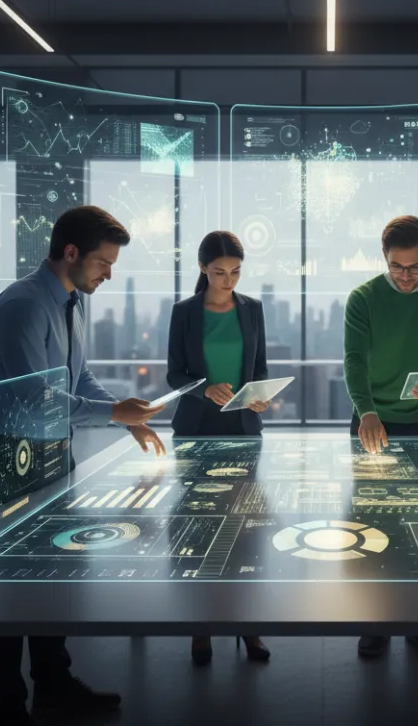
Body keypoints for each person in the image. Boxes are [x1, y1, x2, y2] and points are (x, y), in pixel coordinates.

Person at [0, 205, 167, 726]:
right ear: (70, 254)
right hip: (14, 457)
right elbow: (34, 397)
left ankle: (53, 684)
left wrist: (124, 414)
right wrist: (112, 412)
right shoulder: (23, 305)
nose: (108, 273)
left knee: (51, 576)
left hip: (56, 452)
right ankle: (7, 707)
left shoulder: (70, 302)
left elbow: (76, 381)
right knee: (12, 585)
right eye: (103, 263)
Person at [343, 215, 418, 661]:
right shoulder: (363, 299)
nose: (407, 277)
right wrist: (367, 411)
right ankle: (374, 623)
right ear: (385, 259)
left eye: (414, 267)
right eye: (397, 267)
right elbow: (354, 361)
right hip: (372, 421)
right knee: (372, 522)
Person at [166, 230, 272, 666]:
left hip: (243, 429)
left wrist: (261, 395)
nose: (228, 281)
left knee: (245, 528)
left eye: (235, 273)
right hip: (196, 430)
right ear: (203, 270)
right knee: (198, 528)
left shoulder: (253, 310)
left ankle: (248, 628)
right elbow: (174, 376)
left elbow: (260, 368)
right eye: (219, 273)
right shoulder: (185, 312)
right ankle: (200, 628)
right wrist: (205, 388)